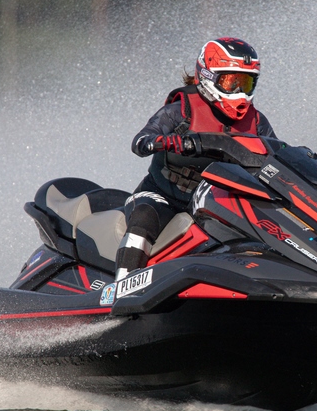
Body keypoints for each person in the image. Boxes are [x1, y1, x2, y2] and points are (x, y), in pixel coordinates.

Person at [115, 37, 278, 279]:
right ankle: (121, 287)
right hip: (163, 195)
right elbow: (140, 142)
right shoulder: (180, 110)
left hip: (216, 202)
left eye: (246, 83)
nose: (239, 92)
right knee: (144, 218)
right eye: (231, 82)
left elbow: (276, 159)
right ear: (209, 76)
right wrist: (166, 141)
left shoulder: (256, 122)